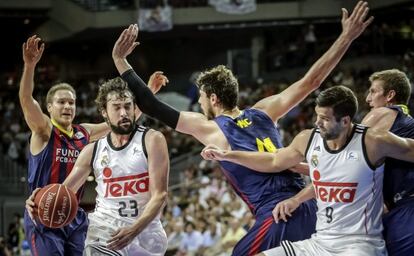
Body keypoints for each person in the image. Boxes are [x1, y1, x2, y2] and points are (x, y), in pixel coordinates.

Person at [112, 1, 373, 254]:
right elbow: (312, 81)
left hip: (278, 213)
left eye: (201, 98)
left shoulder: (210, 128)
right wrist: (346, 37)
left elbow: (150, 105)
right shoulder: (265, 111)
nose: (200, 103)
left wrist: (121, 60)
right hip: (313, 206)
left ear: (213, 98)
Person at [201, 85, 414, 256]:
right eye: (317, 116)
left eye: (325, 119)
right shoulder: (308, 138)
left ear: (346, 121)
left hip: (359, 245)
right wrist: (226, 155)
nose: (317, 123)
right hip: (319, 243)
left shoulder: (373, 142)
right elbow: (275, 160)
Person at [21, 35, 167, 256]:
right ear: (49, 107)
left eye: (72, 102)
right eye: (61, 102)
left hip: (73, 213)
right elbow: (25, 98)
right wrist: (30, 66)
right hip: (44, 210)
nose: (68, 106)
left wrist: (149, 92)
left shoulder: (84, 132)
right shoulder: (44, 130)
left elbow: (118, 121)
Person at [68, 77, 169, 255]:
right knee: (95, 251)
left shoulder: (152, 139)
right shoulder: (93, 150)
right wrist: (39, 200)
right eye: (116, 107)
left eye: (127, 106)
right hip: (104, 229)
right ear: (104, 112)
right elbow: (65, 191)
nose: (123, 112)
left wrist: (133, 230)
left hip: (146, 232)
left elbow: (160, 195)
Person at [362, 69, 414, 256]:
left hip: (407, 209)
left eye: (373, 92)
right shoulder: (405, 121)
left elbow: (344, 152)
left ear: (390, 95)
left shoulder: (384, 113)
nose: (368, 99)